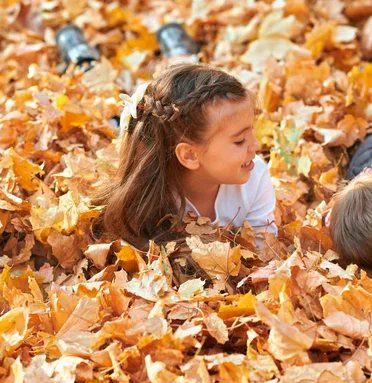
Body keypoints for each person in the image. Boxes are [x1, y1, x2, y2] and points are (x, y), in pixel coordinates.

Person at [92, 63, 277, 248]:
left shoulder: (255, 176)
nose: (256, 146)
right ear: (189, 155)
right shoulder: (152, 196)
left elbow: (263, 250)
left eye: (252, 132)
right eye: (240, 141)